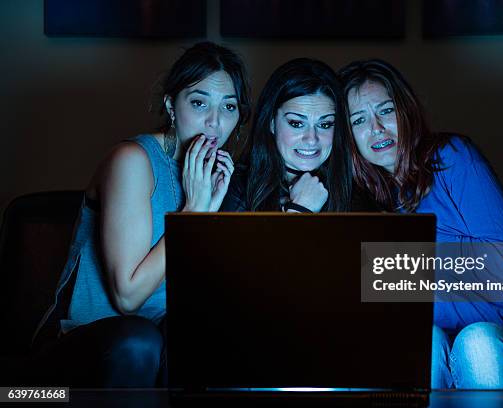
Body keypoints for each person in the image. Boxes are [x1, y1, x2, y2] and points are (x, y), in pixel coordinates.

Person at [29, 41, 251, 387]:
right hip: (89, 342)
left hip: (160, 342)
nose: (214, 122)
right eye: (198, 102)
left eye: (229, 107)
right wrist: (192, 214)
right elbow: (128, 297)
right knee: (140, 342)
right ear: (171, 106)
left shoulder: (216, 178)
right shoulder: (132, 161)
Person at [338, 59, 503, 389]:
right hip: (433, 345)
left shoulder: (451, 157)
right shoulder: (360, 200)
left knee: (475, 341)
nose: (377, 129)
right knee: (425, 341)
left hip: (501, 343)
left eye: (385, 110)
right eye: (358, 120)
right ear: (348, 136)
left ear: (405, 111)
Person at [221, 58, 352, 213]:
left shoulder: (355, 189)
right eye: (296, 123)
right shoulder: (234, 187)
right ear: (271, 123)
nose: (311, 139)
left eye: (325, 125)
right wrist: (300, 210)